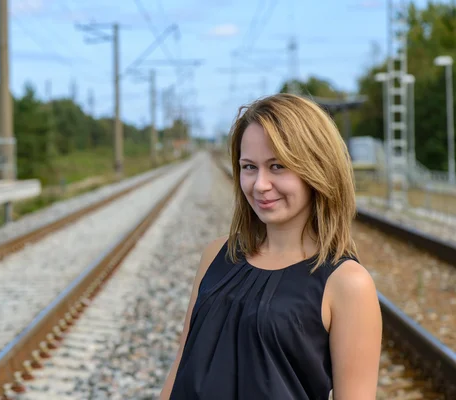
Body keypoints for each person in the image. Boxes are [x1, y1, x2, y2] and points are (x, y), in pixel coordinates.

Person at [159, 93, 382, 400]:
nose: (260, 184)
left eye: (277, 166)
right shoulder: (216, 256)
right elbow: (181, 366)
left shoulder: (347, 284)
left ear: (317, 169)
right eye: (249, 167)